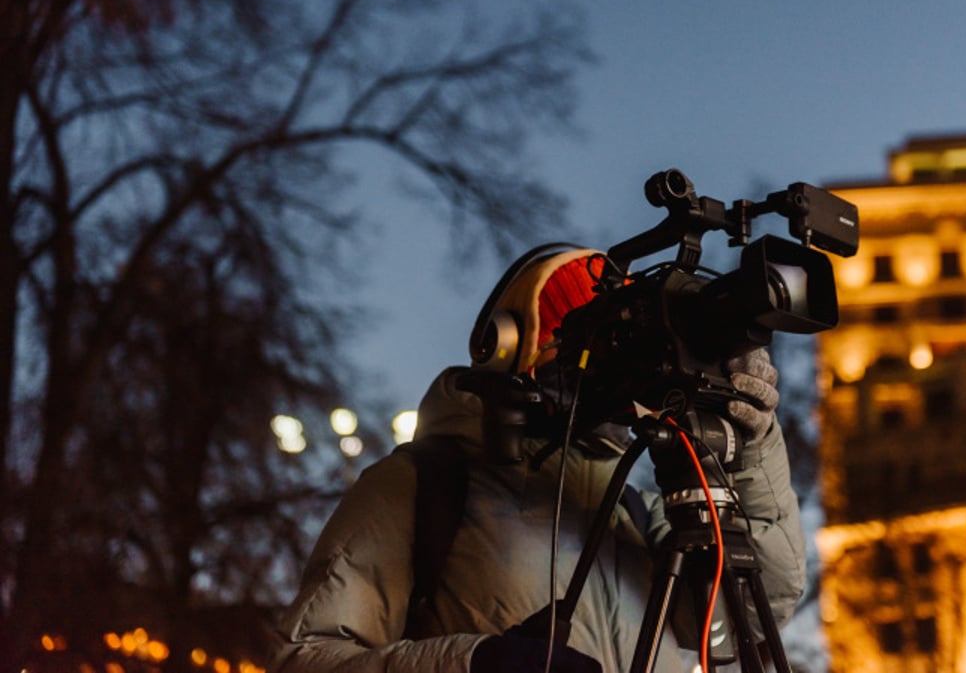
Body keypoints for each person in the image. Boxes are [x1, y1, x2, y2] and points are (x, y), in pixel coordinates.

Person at [271, 246, 806, 673]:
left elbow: (751, 621)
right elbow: (303, 659)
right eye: (573, 339)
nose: (592, 364)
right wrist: (473, 665)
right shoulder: (421, 484)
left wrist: (750, 451)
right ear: (505, 346)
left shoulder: (639, 513)